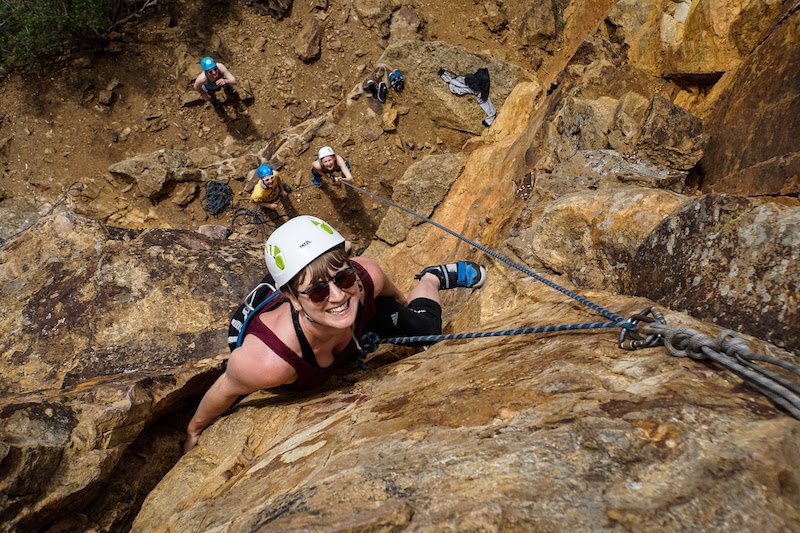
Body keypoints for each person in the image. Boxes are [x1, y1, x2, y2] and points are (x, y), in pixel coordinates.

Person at [184, 215, 487, 452]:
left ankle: (432, 278)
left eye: (342, 278)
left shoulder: (366, 277)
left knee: (425, 333)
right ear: (292, 299)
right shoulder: (267, 362)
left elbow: (390, 291)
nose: (338, 296)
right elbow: (226, 389)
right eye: (317, 293)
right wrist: (194, 430)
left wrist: (405, 310)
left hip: (347, 323)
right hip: (283, 339)